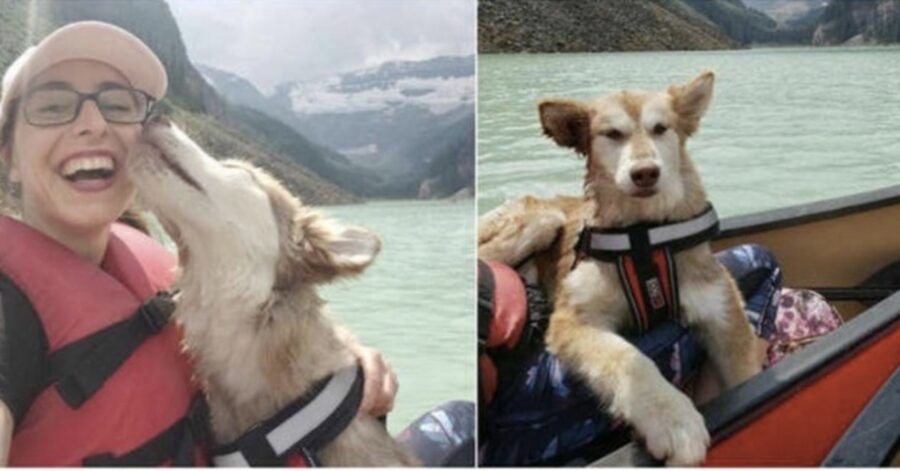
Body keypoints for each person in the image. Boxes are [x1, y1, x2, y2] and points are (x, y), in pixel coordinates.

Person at [0, 21, 401, 466]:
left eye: (117, 105)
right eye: (53, 106)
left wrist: (344, 366)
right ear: (9, 157)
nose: (93, 123)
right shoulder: (8, 307)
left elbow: (251, 309)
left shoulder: (154, 261)